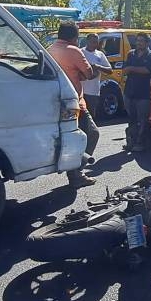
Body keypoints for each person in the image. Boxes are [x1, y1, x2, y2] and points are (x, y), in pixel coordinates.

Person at [47, 21, 99, 187]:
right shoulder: (73, 51)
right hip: (75, 103)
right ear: (74, 37)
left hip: (56, 101)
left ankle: (72, 169)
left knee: (69, 136)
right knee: (92, 134)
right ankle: (76, 173)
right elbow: (89, 73)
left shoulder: (50, 49)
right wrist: (95, 69)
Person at [123, 32, 151, 152]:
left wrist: (132, 68)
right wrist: (131, 69)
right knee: (131, 118)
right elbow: (125, 70)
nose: (139, 43)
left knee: (142, 119)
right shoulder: (131, 54)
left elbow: (147, 70)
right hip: (129, 92)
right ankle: (131, 141)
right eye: (137, 40)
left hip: (143, 93)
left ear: (147, 43)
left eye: (142, 41)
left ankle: (140, 142)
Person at [82, 33, 113, 121]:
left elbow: (109, 70)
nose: (94, 44)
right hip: (80, 90)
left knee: (91, 117)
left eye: (96, 42)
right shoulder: (81, 52)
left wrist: (98, 67)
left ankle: (91, 134)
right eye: (92, 42)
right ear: (87, 41)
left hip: (93, 92)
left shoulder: (100, 54)